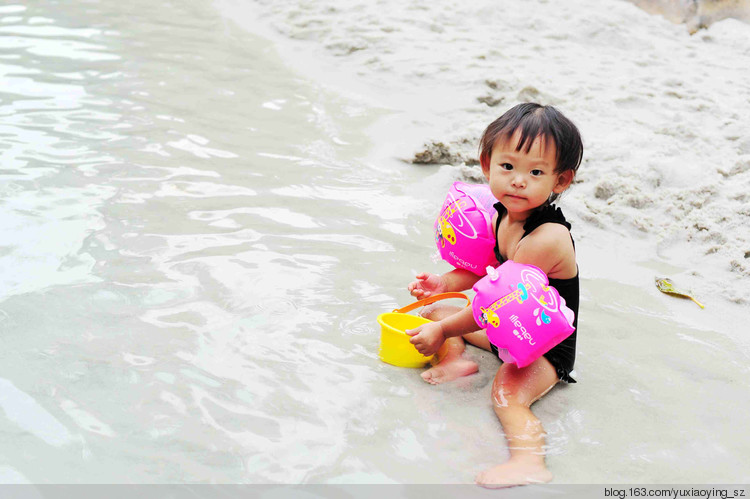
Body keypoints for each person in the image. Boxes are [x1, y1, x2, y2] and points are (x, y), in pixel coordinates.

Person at [405, 102, 583, 488]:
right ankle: (457, 364)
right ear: (487, 164)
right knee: (438, 311)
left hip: (543, 344)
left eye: (535, 172)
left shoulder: (546, 238)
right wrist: (443, 284)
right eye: (508, 167)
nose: (518, 180)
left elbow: (493, 307)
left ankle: (529, 462)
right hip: (505, 324)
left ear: (560, 180)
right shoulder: (503, 213)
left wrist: (447, 333)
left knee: (507, 393)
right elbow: (480, 267)